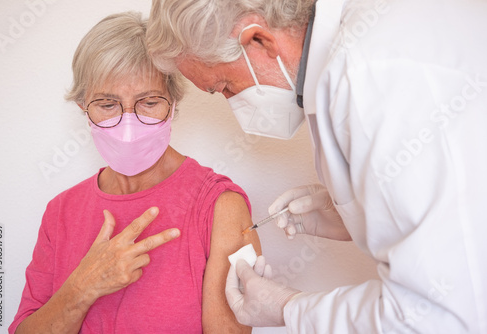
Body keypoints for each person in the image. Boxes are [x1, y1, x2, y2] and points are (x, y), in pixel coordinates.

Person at [146, 0, 487, 332]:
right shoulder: (361, 52)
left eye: (223, 86)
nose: (232, 102)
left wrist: (289, 308)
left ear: (260, 40)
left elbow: (437, 317)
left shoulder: (370, 76)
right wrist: (356, 213)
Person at [9, 12, 260, 334]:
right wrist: (82, 287)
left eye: (149, 102)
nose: (129, 125)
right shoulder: (60, 212)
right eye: (107, 104)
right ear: (83, 107)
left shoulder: (219, 206)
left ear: (173, 102)